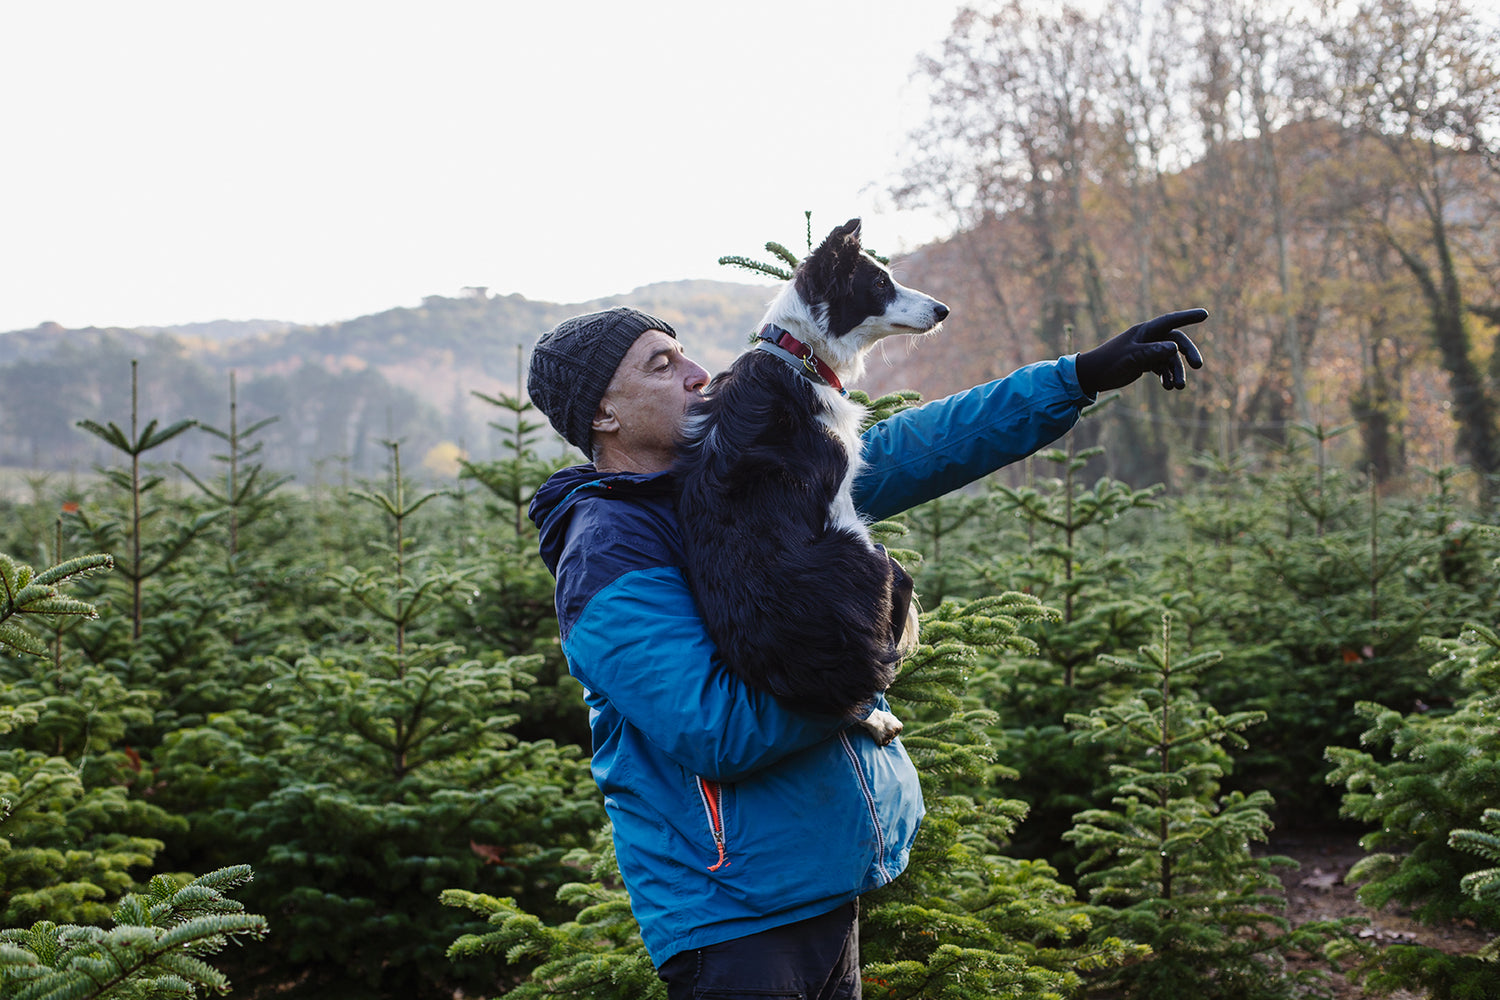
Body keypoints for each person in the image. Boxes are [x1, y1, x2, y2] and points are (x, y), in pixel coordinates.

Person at [525, 304, 1206, 999]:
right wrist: (871, 647)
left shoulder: (737, 480)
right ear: (603, 414)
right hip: (735, 920)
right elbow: (717, 728)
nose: (698, 374)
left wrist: (1078, 376)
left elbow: (912, 449)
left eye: (684, 352)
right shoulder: (608, 550)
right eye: (661, 366)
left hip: (819, 887)